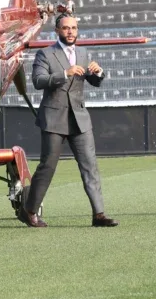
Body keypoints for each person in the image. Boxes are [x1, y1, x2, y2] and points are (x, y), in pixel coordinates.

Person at [19, 14, 119, 228]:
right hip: (53, 119)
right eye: (66, 28)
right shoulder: (45, 54)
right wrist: (65, 73)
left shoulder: (83, 52)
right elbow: (38, 81)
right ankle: (29, 210)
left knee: (90, 166)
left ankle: (99, 215)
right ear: (57, 31)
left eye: (74, 28)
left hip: (80, 120)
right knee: (47, 166)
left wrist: (98, 73)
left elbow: (93, 81)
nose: (71, 32)